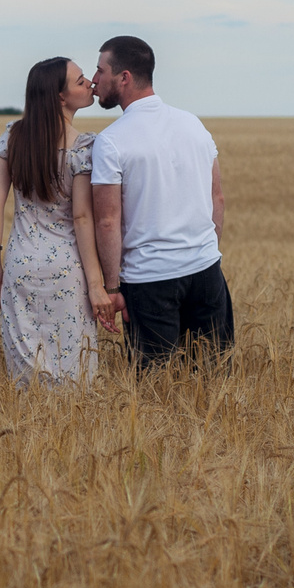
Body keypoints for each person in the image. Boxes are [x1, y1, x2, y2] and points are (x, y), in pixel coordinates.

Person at [87, 34, 233, 365]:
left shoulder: (111, 141)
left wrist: (112, 288)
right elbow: (217, 198)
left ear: (123, 77)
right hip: (207, 270)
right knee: (212, 377)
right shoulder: (193, 124)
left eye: (100, 70)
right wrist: (202, 251)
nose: (94, 80)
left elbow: (107, 220)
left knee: (154, 390)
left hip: (149, 280)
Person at [0, 57, 118, 386]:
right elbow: (83, 217)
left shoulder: (13, 137)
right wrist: (97, 285)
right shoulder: (82, 147)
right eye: (80, 79)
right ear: (61, 96)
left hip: (20, 263)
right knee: (72, 366)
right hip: (67, 270)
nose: (89, 83)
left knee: (27, 367)